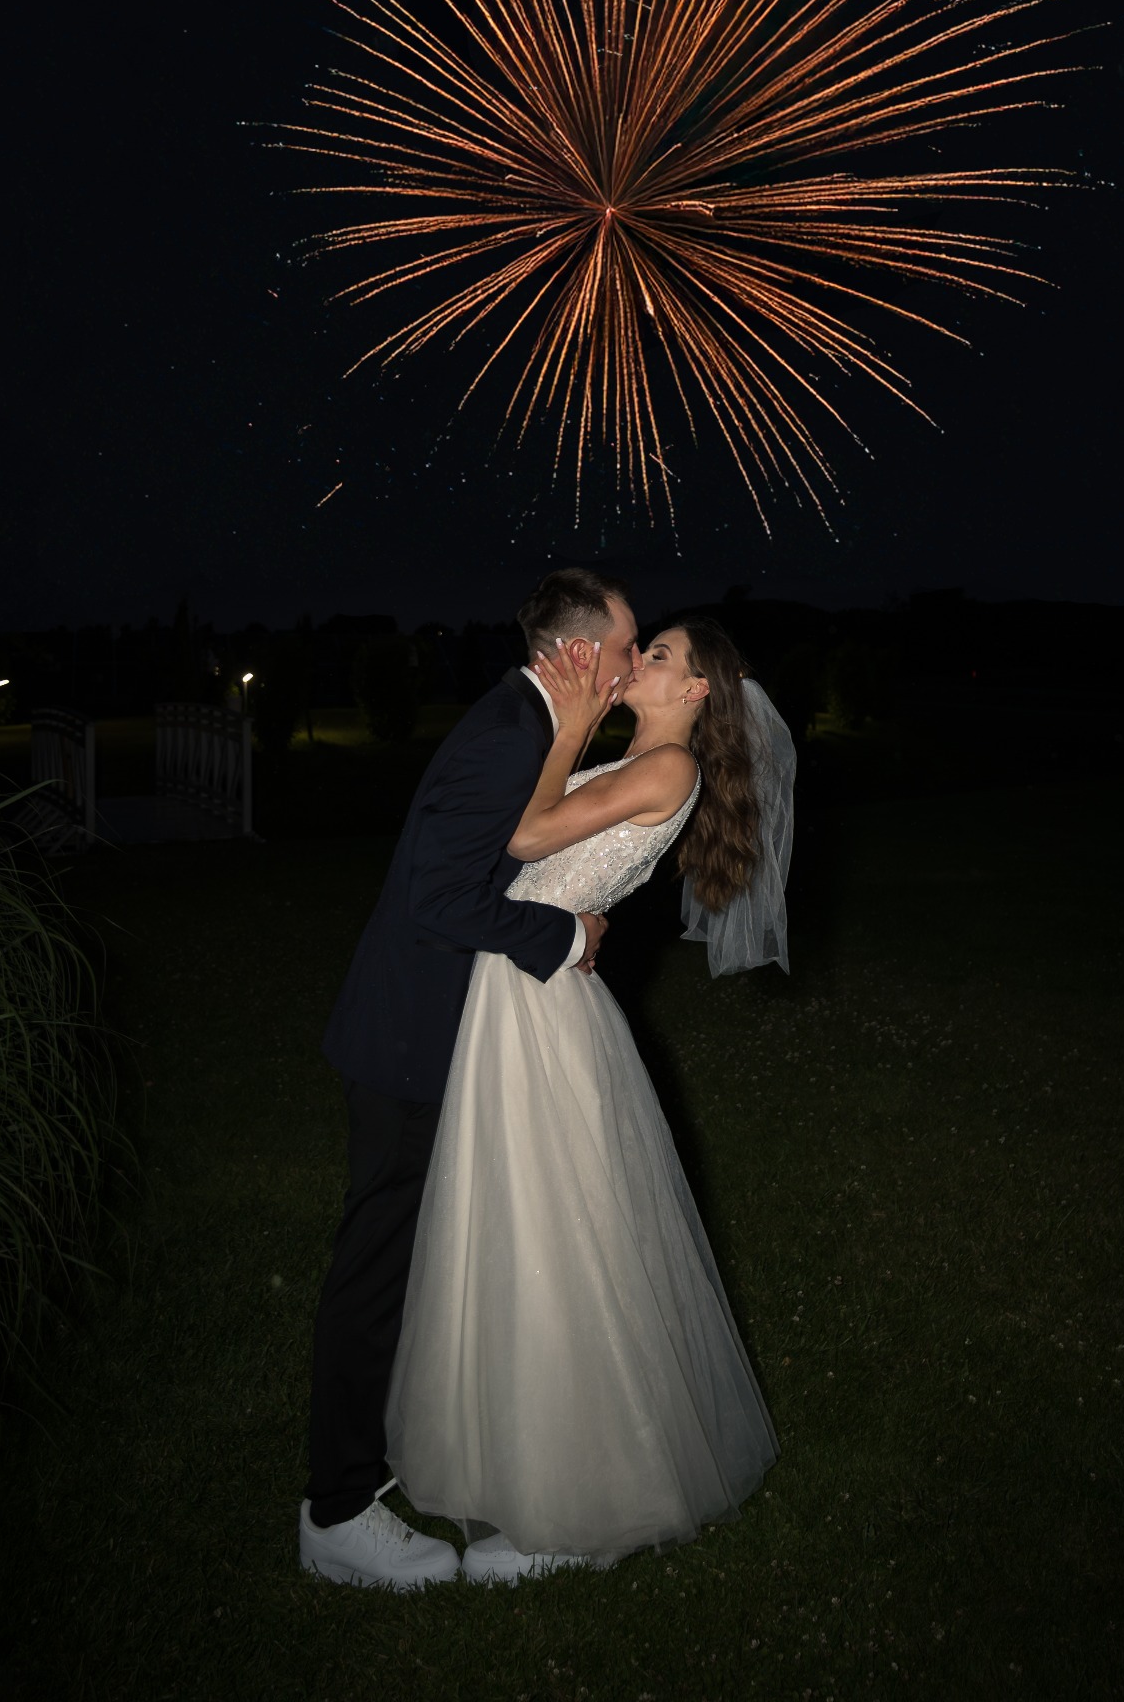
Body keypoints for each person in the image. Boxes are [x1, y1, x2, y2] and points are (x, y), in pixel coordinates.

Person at [384, 615, 789, 1582]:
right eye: (640, 648)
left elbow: (526, 834)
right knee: (509, 1221)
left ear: (696, 693)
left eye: (659, 656)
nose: (638, 660)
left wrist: (564, 722)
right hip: (518, 992)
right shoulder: (637, 762)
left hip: (541, 1014)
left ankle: (576, 1498)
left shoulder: (666, 770)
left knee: (555, 1231)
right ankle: (502, 1455)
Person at [299, 568, 641, 1590]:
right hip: (409, 1046)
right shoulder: (507, 736)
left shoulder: (525, 723)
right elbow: (439, 898)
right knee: (377, 1271)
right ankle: (338, 1508)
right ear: (576, 655)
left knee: (421, 1262)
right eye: (624, 651)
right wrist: (564, 934)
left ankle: (395, 1449)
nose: (627, 673)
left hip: (436, 1041)